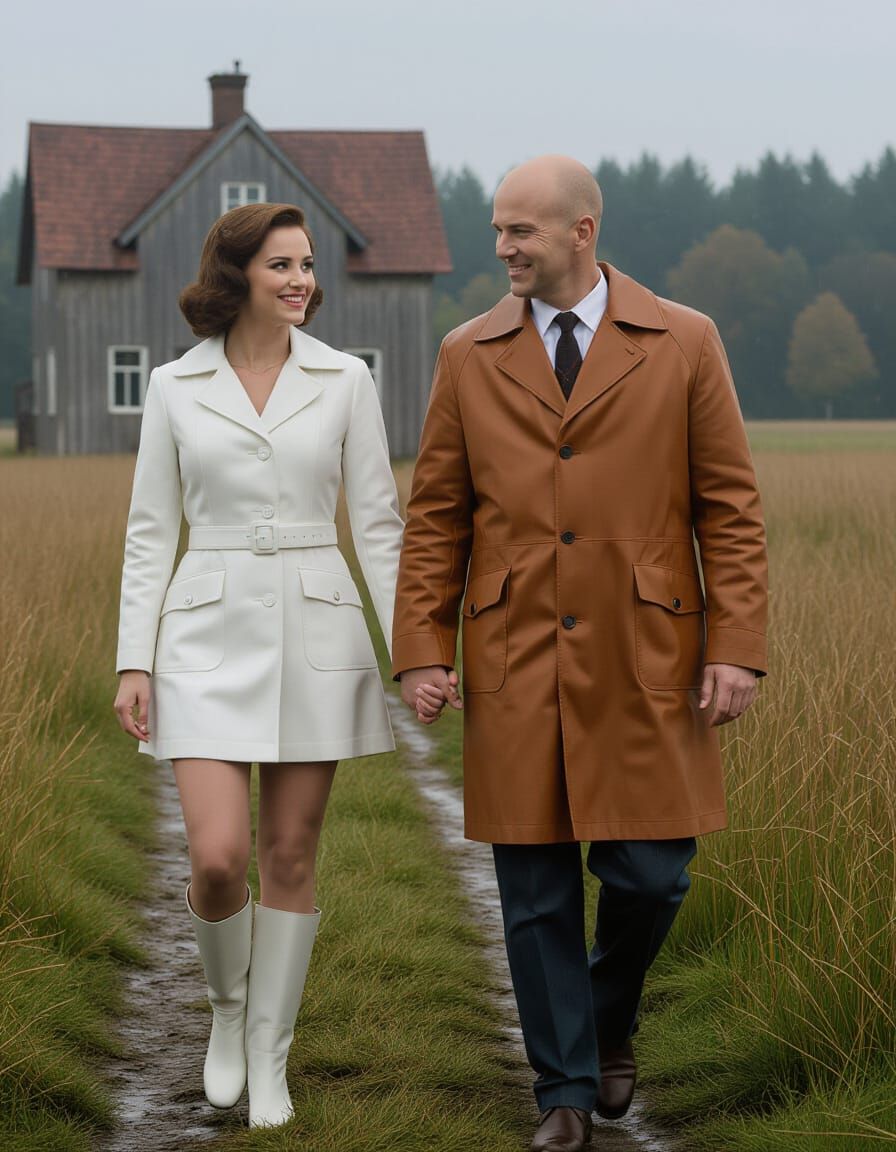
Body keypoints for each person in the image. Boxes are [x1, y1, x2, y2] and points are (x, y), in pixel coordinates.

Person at [393, 156, 768, 1152]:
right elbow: (434, 517)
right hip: (514, 647)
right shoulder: (466, 353)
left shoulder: (683, 340)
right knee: (534, 885)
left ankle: (604, 1021)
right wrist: (422, 650)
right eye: (497, 232)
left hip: (649, 650)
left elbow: (728, 509)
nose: (504, 248)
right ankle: (562, 1089)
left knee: (650, 874)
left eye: (521, 231)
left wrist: (733, 647)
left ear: (580, 233)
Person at [113, 202, 407, 1130]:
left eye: (309, 265)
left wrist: (416, 651)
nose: (302, 280)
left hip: (317, 630)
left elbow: (380, 527)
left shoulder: (346, 380)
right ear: (236, 273)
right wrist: (134, 661)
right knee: (218, 857)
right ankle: (228, 1013)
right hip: (201, 636)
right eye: (282, 264)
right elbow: (150, 534)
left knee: (289, 851)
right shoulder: (171, 386)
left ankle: (270, 1056)